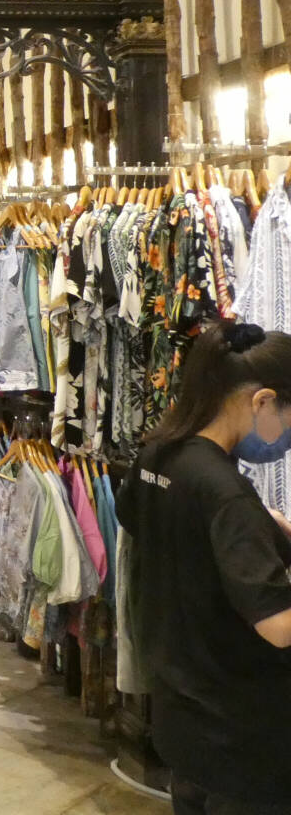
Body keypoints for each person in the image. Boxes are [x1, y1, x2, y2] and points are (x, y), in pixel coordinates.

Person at [117, 321, 291, 813]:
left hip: (183, 714)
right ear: (262, 402)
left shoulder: (158, 453)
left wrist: (263, 524)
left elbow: (141, 519)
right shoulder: (225, 492)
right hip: (243, 737)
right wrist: (247, 523)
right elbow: (279, 625)